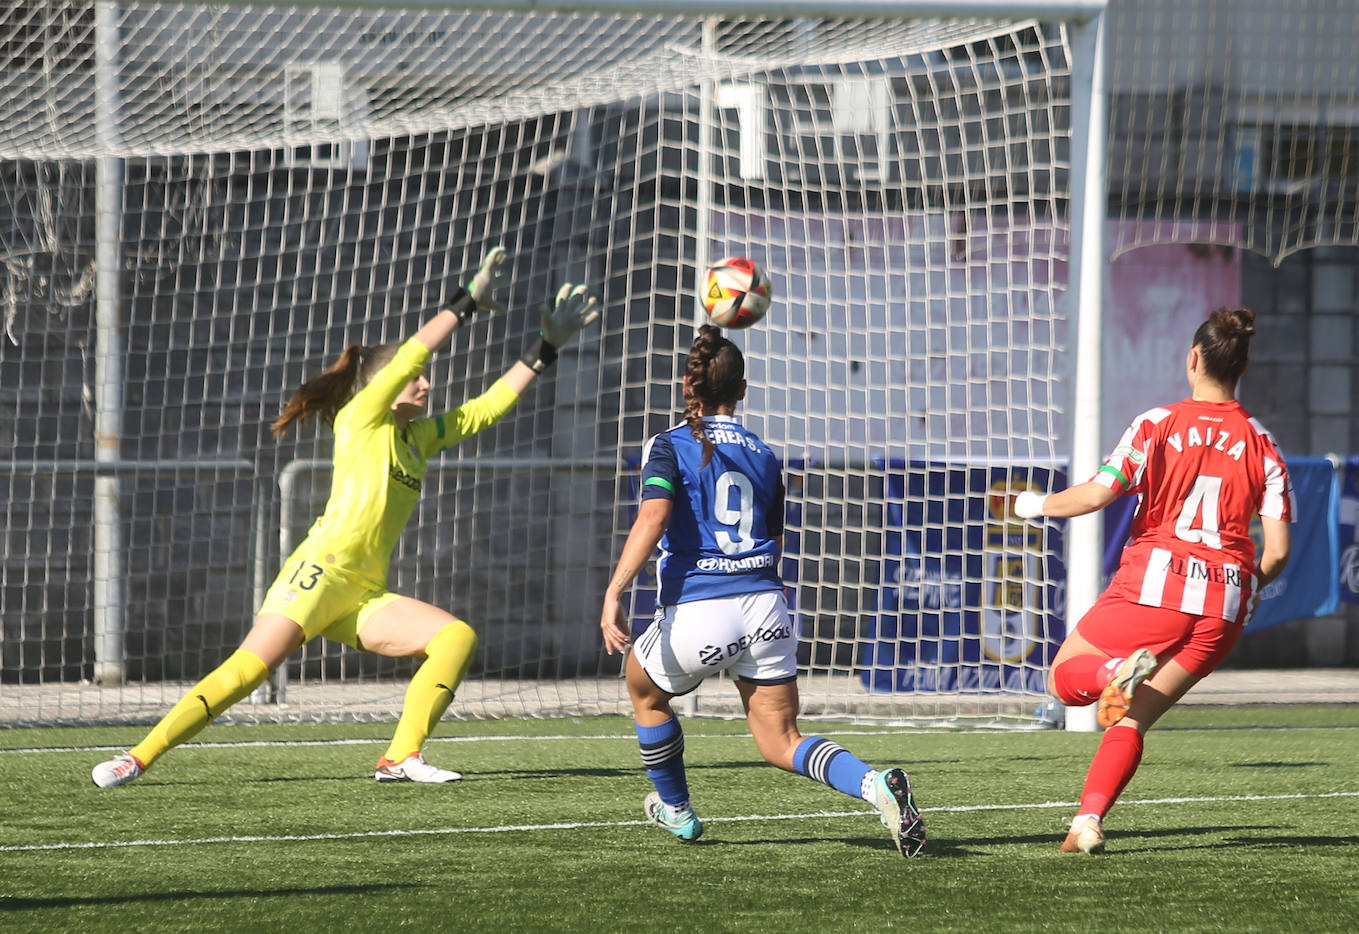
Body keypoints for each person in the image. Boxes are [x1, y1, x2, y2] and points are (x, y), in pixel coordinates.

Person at [93, 247, 599, 787]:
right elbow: (410, 356)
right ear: (381, 387)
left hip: (361, 593)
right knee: (247, 672)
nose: (425, 384)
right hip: (319, 574)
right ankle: (137, 756)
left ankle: (400, 757)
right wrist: (465, 304)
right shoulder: (360, 420)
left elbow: (486, 408)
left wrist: (546, 348)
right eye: (416, 379)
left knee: (455, 637)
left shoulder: (417, 439)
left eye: (425, 379)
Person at [600, 324, 926, 858]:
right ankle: (875, 785)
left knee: (644, 690)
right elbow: (773, 539)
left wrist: (615, 590)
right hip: (768, 606)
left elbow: (654, 516)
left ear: (689, 385)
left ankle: (677, 811)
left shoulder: (668, 444)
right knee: (782, 740)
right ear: (743, 390)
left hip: (703, 607)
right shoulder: (765, 453)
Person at [1012, 307, 1293, 853]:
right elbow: (1277, 551)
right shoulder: (1263, 443)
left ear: (1193, 360)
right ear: (1243, 366)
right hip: (1227, 601)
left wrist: (1034, 504)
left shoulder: (1157, 423)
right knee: (1132, 719)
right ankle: (1087, 822)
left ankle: (1115, 669)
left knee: (1065, 676)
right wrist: (1251, 588)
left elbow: (1096, 494)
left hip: (1157, 582)